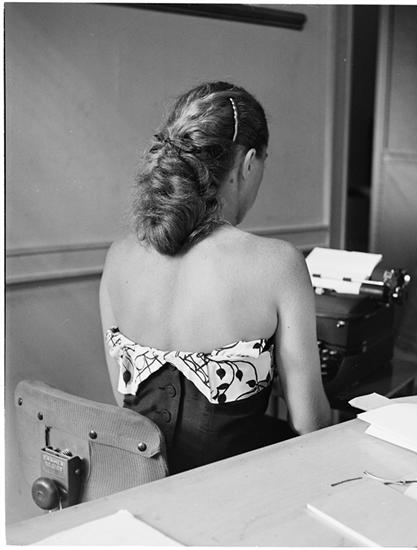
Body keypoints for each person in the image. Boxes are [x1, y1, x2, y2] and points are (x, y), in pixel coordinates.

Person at [100, 81, 331, 474]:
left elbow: (124, 403)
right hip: (233, 495)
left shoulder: (118, 256)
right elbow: (311, 423)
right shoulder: (280, 264)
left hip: (140, 489)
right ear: (249, 163)